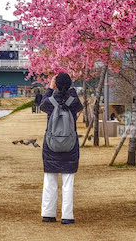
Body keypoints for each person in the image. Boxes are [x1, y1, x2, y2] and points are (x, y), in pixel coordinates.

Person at [39, 72, 83, 225]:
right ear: (69, 85)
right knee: (68, 182)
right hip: (70, 146)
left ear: (56, 84)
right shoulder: (73, 101)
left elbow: (42, 104)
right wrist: (71, 89)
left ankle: (48, 213)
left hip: (51, 146)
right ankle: (67, 216)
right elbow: (79, 106)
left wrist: (50, 88)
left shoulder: (50, 102)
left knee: (49, 180)